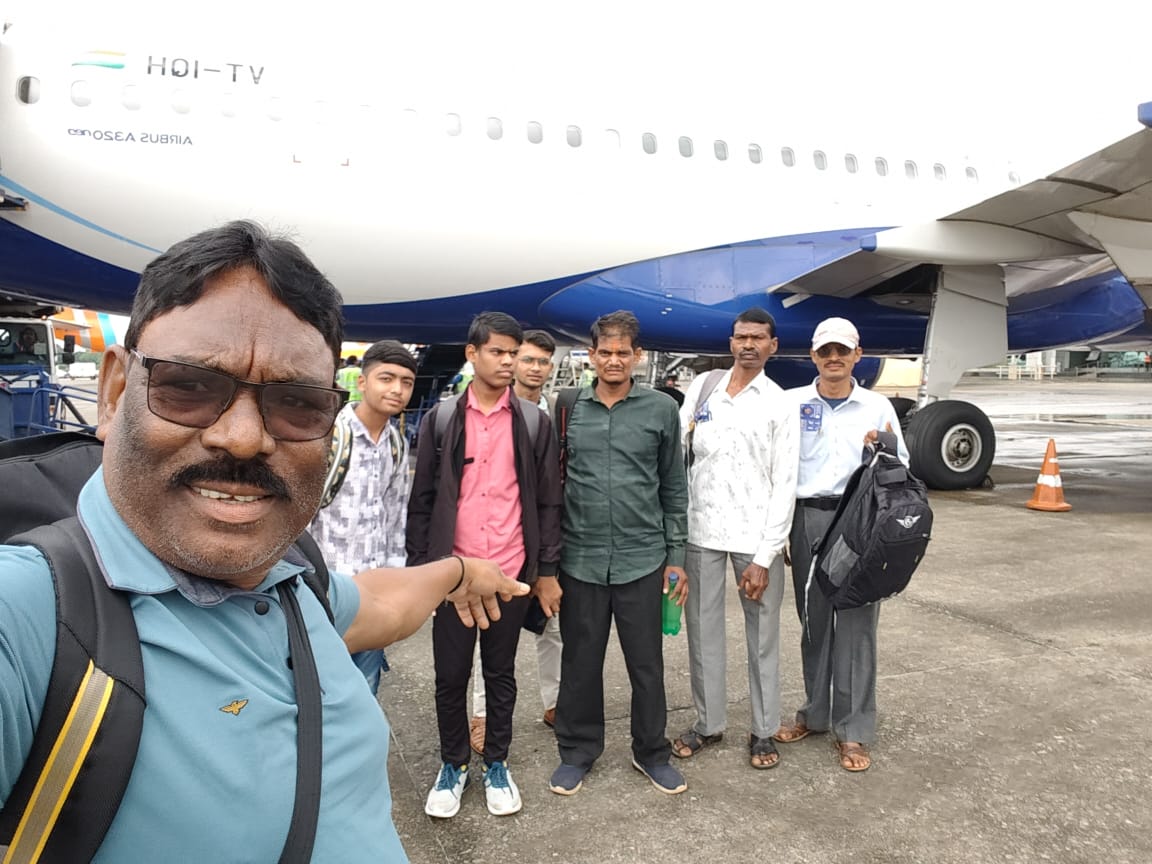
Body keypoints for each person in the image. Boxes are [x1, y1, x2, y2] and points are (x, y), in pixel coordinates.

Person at [0, 221, 527, 862]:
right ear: (114, 393)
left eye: (297, 403)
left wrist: (459, 572)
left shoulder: (288, 577)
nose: (244, 437)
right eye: (189, 386)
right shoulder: (32, 616)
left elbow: (379, 604)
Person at [407, 312, 562, 819]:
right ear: (472, 354)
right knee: (450, 676)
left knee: (500, 674)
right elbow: (423, 500)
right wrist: (422, 577)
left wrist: (545, 570)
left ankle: (496, 761)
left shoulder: (534, 421)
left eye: (513, 353)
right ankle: (453, 764)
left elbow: (546, 501)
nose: (508, 361)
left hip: (511, 570)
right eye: (498, 351)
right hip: (454, 576)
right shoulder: (444, 418)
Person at [549, 310, 689, 797]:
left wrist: (677, 557)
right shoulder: (566, 406)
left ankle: (651, 752)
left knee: (646, 665)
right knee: (581, 663)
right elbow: (552, 489)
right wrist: (549, 565)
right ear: (591, 356)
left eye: (622, 353)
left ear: (638, 356)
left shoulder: (661, 410)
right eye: (604, 352)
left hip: (643, 559)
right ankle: (578, 751)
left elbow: (674, 485)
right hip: (581, 559)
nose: (613, 360)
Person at [774, 316, 908, 773]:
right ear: (813, 356)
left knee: (855, 625)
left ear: (857, 355)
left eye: (842, 351)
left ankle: (854, 732)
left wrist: (883, 444)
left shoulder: (877, 407)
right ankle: (815, 714)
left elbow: (900, 466)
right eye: (825, 351)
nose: (834, 359)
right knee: (813, 623)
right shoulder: (792, 403)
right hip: (805, 518)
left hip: (858, 521)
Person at [670, 307, 797, 770]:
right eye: (741, 336)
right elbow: (680, 459)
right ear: (730, 342)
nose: (749, 345)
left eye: (758, 338)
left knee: (762, 635)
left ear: (773, 346)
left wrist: (766, 556)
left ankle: (764, 729)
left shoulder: (779, 403)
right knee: (701, 633)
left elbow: (785, 483)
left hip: (755, 538)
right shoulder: (703, 392)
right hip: (701, 531)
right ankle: (708, 722)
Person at [469, 328, 562, 753]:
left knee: (553, 627)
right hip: (493, 542)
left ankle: (556, 702)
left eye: (544, 361)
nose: (535, 368)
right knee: (484, 635)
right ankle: (483, 716)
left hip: (542, 537)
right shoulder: (481, 412)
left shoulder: (560, 409)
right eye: (527, 359)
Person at [309, 339, 417, 692]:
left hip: (373, 595)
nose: (397, 390)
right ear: (362, 382)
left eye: (406, 382)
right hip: (326, 591)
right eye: (387, 378)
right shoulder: (330, 435)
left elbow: (395, 515)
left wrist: (394, 585)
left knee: (364, 692)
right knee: (317, 690)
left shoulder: (397, 444)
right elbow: (304, 515)